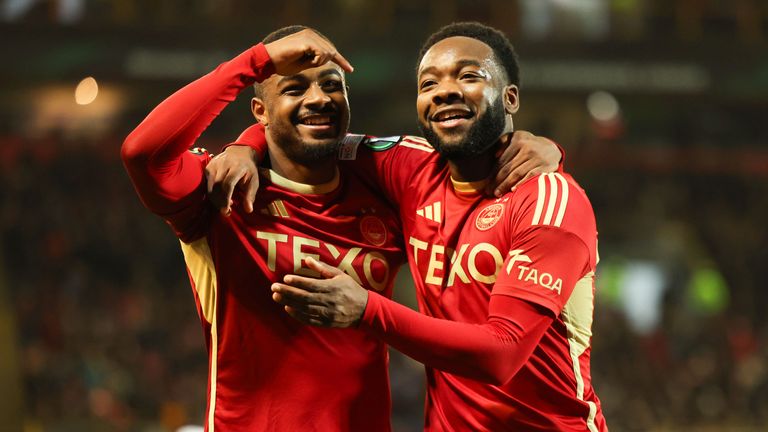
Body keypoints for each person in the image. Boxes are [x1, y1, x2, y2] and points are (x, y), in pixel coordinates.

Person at [122, 25, 561, 431]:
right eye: (295, 88)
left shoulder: (385, 177)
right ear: (260, 110)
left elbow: (475, 151)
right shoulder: (220, 190)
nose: (319, 99)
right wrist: (254, 64)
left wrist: (540, 146)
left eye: (333, 86)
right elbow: (142, 153)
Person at [223, 22, 607, 431]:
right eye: (429, 83)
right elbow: (308, 132)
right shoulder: (408, 168)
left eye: (468, 75)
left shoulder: (549, 200)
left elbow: (502, 353)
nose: (444, 90)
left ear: (509, 97)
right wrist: (246, 145)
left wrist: (367, 310)